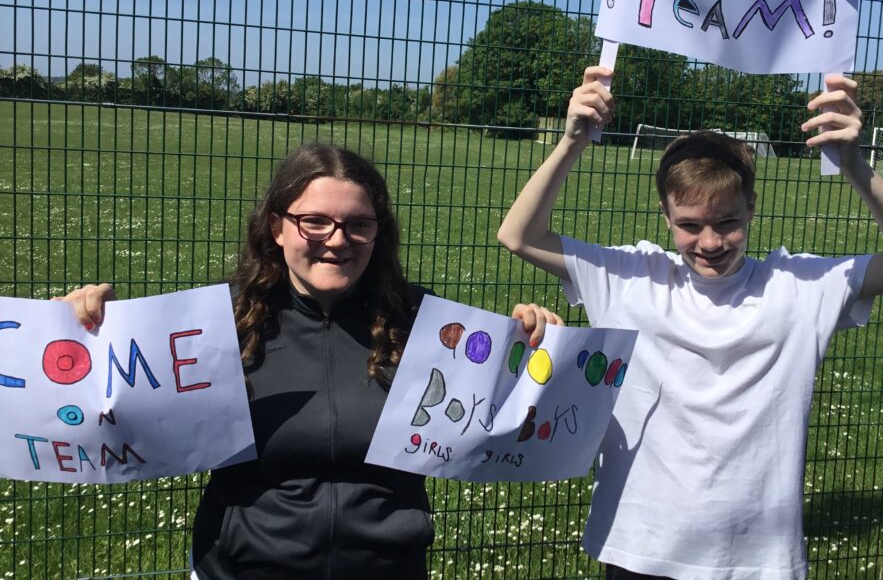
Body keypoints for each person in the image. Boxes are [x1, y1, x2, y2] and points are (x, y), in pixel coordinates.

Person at [497, 68, 883, 580]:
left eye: (727, 222)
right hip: (640, 545)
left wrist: (852, 163)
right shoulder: (630, 277)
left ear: (751, 208)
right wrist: (573, 139)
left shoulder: (798, 286)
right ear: (665, 217)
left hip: (755, 558)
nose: (709, 243)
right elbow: (519, 234)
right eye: (689, 225)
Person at [60, 141, 563, 580]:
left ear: (378, 232)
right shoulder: (218, 323)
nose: (338, 240)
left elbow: (494, 419)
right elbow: (118, 414)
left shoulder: (425, 323)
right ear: (277, 228)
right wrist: (84, 329)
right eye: (315, 221)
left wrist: (533, 343)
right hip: (241, 570)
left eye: (358, 225)